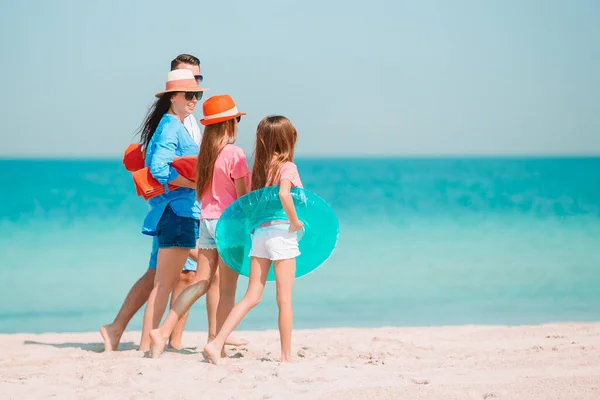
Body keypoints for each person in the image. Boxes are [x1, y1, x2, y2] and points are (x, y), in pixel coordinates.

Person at [101, 55, 246, 352]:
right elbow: (159, 168)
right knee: (170, 282)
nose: (194, 99)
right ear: (173, 96)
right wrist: (195, 183)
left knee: (167, 280)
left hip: (176, 211)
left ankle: (151, 342)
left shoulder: (174, 123)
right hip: (179, 211)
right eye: (189, 95)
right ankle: (152, 343)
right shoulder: (171, 126)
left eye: (198, 94)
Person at [149, 95, 250, 358]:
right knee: (227, 289)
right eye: (236, 120)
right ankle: (218, 344)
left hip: (205, 223)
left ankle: (162, 332)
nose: (238, 125)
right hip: (227, 224)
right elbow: (242, 198)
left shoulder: (204, 153)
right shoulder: (235, 154)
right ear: (229, 124)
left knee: (201, 282)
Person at [204, 115, 303, 364]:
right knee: (285, 299)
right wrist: (295, 222)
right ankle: (285, 356)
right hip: (281, 234)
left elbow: (252, 203)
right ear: (288, 140)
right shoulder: (287, 167)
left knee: (251, 296)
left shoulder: (260, 168)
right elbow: (284, 194)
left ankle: (216, 343)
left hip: (260, 235)